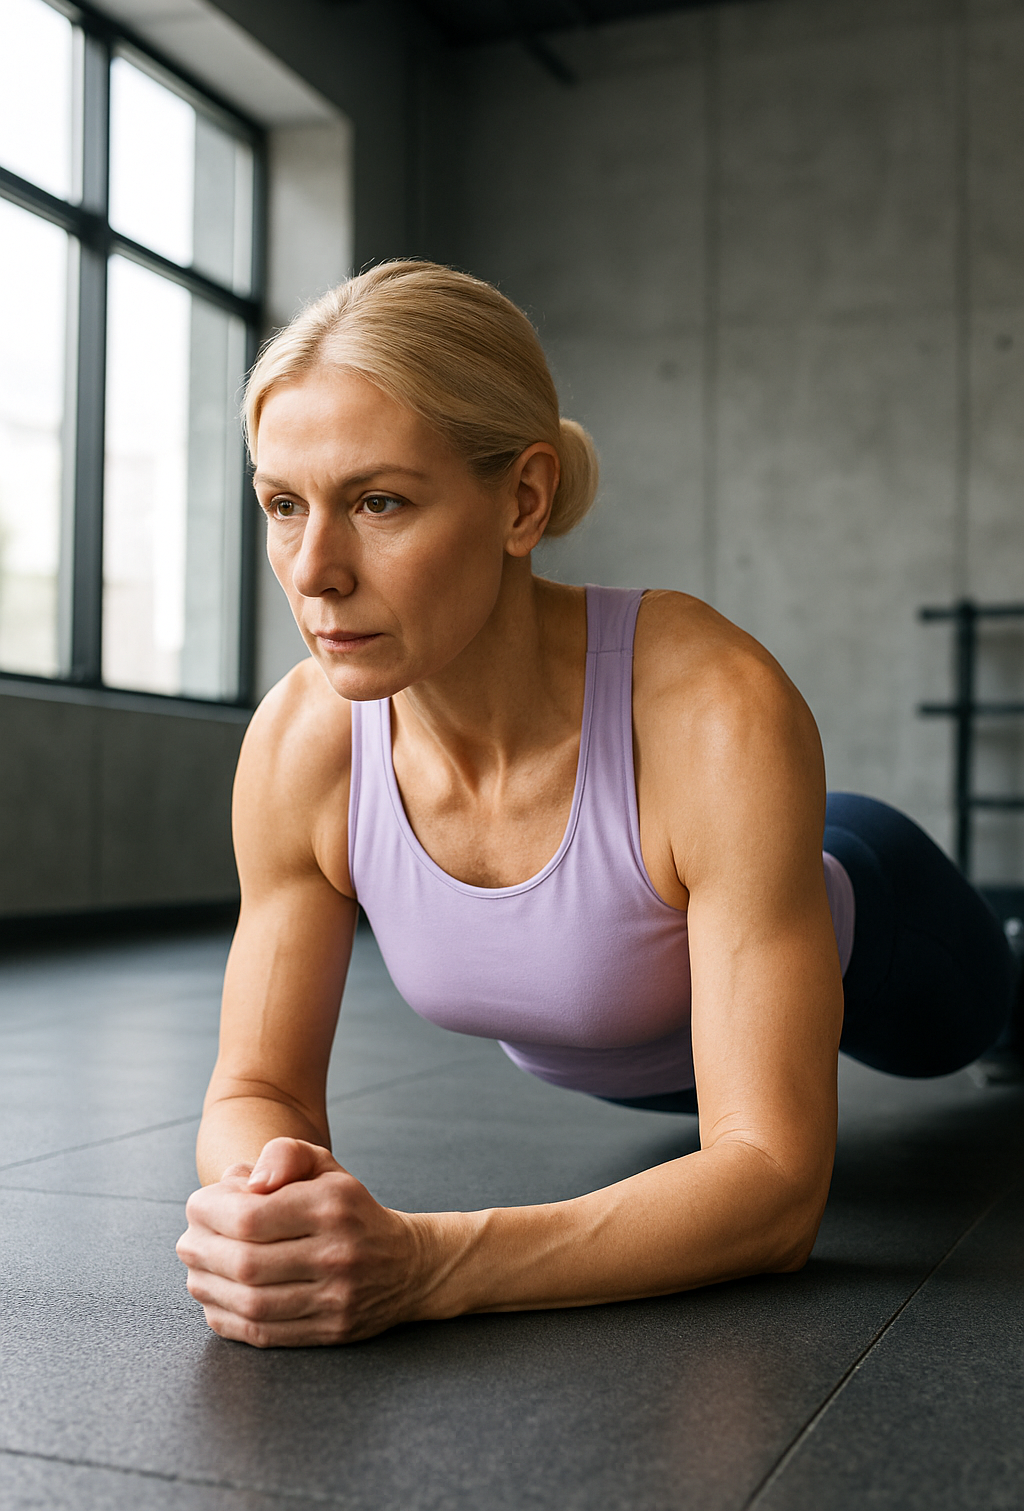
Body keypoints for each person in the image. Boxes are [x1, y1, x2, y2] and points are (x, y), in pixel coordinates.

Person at [175, 261, 1018, 1348]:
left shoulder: (715, 710)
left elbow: (770, 1188)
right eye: (284, 505)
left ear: (521, 501)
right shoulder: (303, 744)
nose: (315, 569)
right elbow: (254, 1086)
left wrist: (422, 1266)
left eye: (378, 501)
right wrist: (272, 1203)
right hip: (646, 1059)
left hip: (880, 921)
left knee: (988, 1023)